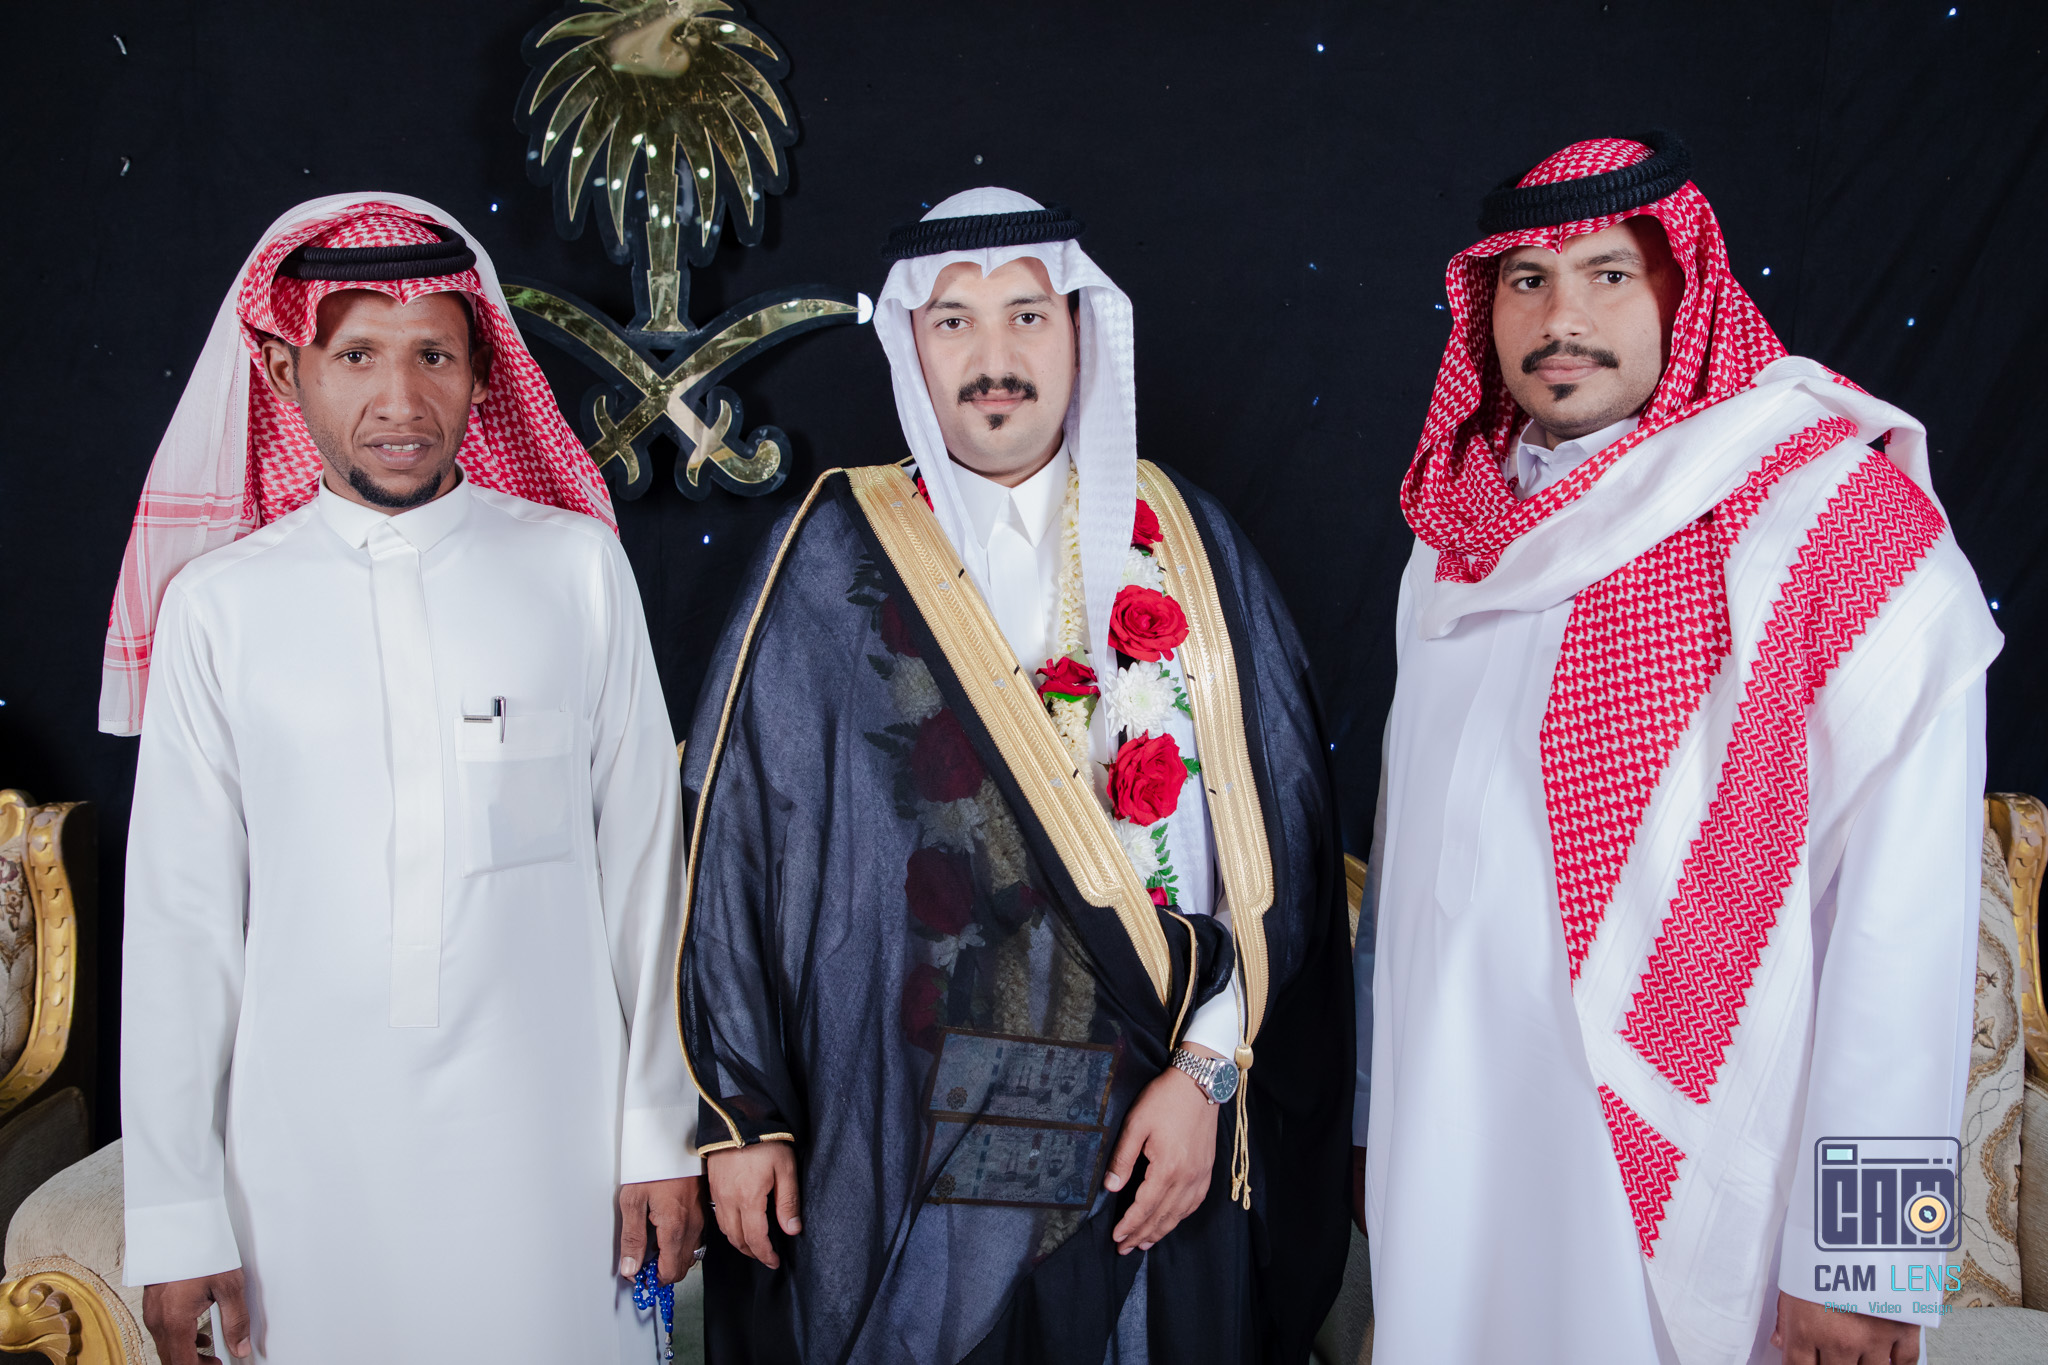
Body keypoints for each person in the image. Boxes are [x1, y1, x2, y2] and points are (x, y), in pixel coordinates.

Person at [677, 188, 1352, 1364]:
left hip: (1160, 1113)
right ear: (911, 346)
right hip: (914, 1131)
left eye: (1026, 316)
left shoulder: (1185, 541)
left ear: (1080, 331)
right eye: (953, 322)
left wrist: (1205, 1073)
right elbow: (732, 839)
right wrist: (742, 1113)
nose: (993, 359)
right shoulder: (831, 552)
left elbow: (1280, 843)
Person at [1357, 135, 2002, 1365]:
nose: (1561, 319)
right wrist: (1368, 1128)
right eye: (1526, 280)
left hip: (1684, 1193)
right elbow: (1409, 867)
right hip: (1444, 1165)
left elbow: (1908, 922)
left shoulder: (1834, 520)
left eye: (1607, 273)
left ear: (1684, 287)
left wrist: (1869, 1262)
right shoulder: (1451, 539)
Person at [108, 196, 701, 1364]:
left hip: (553, 1153)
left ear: (482, 372)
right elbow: (180, 927)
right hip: (301, 1173)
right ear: (284, 372)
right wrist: (178, 1211)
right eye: (356, 356)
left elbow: (646, 877)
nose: (399, 401)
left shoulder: (573, 570)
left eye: (433, 355)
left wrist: (654, 1129)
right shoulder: (219, 610)